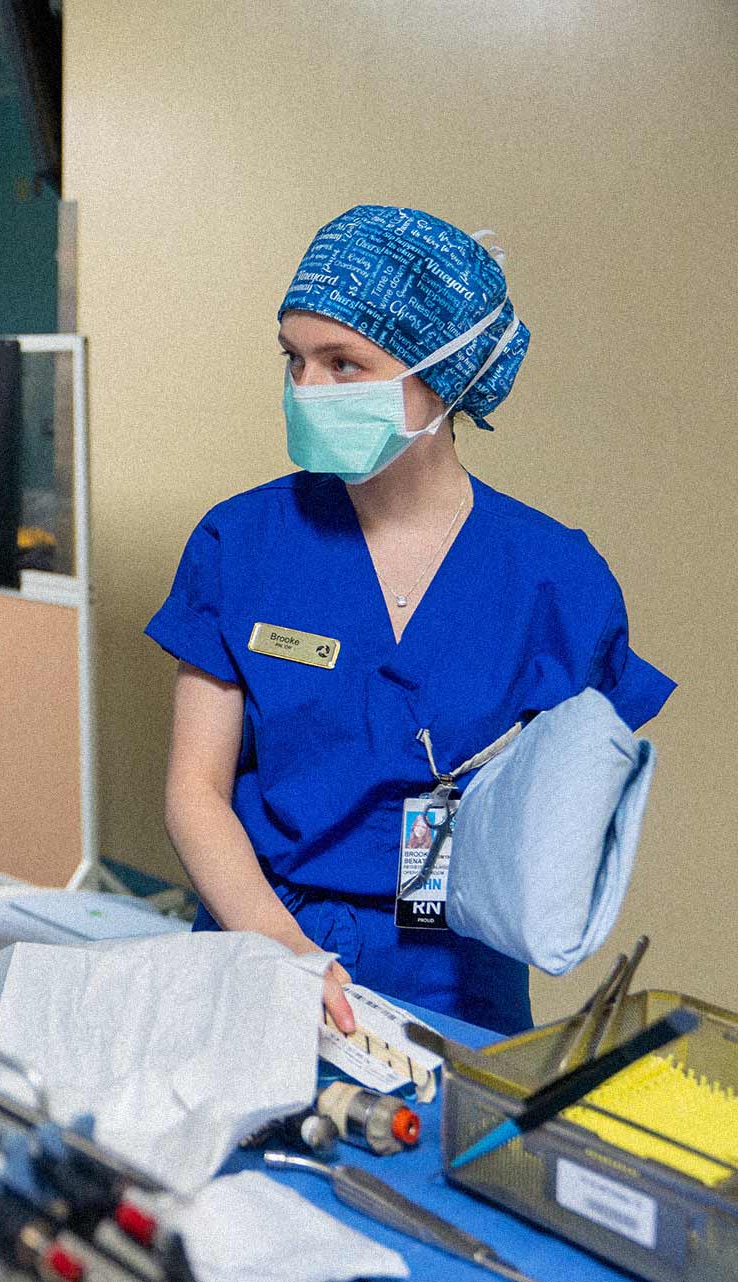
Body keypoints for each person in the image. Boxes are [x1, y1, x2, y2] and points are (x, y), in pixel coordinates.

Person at [148, 206, 673, 1035]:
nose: (306, 391)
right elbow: (194, 789)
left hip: (450, 970)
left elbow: (559, 827)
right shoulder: (241, 544)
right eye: (293, 359)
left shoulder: (554, 579)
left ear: (444, 375)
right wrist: (287, 954)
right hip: (258, 940)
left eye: (344, 365)